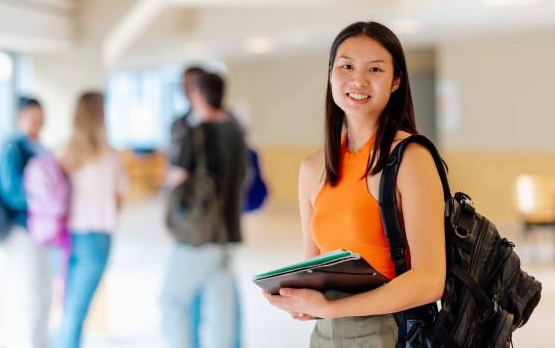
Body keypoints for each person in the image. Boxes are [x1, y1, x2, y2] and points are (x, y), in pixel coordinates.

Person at [263, 21, 446, 347]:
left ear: (395, 82)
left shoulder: (411, 158)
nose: (358, 80)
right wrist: (302, 300)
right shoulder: (312, 168)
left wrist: (331, 308)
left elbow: (430, 280)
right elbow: (315, 269)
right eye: (346, 66)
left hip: (390, 332)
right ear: (331, 74)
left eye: (375, 69)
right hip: (326, 335)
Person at [161, 72, 248, 348]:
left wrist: (166, 217)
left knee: (172, 300)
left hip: (199, 233)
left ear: (197, 95)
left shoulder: (195, 132)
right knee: (220, 310)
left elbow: (177, 179)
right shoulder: (237, 132)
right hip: (228, 233)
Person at [53, 91, 129, 348]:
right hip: (97, 238)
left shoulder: (62, 152)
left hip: (65, 237)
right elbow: (120, 200)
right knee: (76, 312)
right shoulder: (110, 156)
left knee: (68, 308)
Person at [0, 96, 53, 348]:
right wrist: (45, 199)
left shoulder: (40, 147)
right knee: (26, 291)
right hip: (21, 230)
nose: (38, 123)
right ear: (20, 117)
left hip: (41, 231)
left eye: (41, 117)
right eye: (32, 117)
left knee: (42, 290)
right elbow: (12, 192)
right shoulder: (12, 148)